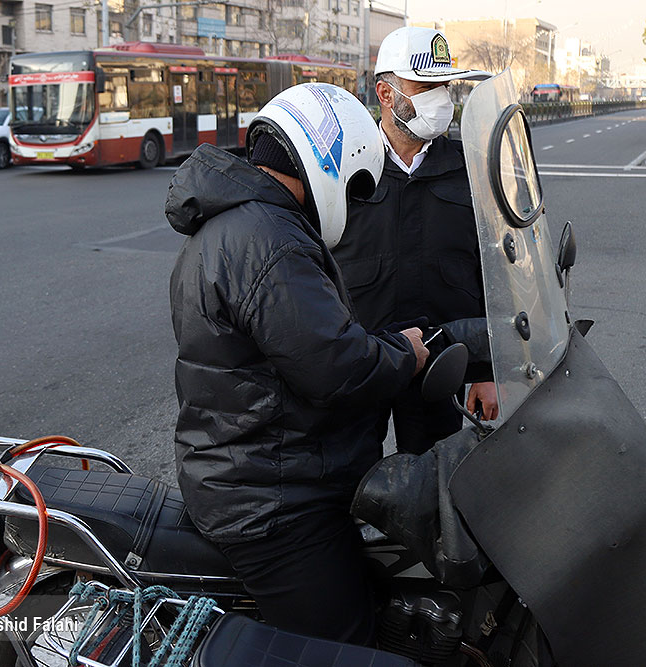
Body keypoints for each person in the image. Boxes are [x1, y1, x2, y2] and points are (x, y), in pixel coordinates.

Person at [167, 83, 429, 646]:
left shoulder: (239, 222)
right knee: (341, 643)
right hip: (273, 500)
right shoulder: (270, 240)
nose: (356, 199)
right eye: (357, 185)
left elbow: (303, 343)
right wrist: (406, 354)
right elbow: (336, 367)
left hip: (254, 467)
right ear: (329, 161)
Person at [333, 26, 498, 456]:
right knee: (347, 482)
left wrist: (486, 370)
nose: (441, 98)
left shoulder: (471, 168)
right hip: (360, 361)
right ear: (385, 94)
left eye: (444, 86)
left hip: (441, 362)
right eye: (425, 87)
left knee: (434, 487)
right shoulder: (342, 165)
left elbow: (493, 269)